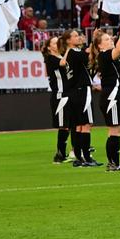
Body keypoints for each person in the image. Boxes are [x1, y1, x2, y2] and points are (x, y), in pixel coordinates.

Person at [58, 29, 99, 167]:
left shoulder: (68, 54)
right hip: (82, 90)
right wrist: (94, 39)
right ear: (68, 40)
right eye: (76, 36)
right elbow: (89, 55)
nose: (79, 37)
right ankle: (86, 157)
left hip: (73, 91)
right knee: (86, 124)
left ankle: (78, 157)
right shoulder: (75, 53)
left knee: (78, 126)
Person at [93, 29, 120, 171]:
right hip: (112, 97)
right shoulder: (105, 55)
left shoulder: (111, 58)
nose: (111, 41)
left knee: (117, 130)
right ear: (100, 46)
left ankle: (115, 162)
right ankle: (114, 163)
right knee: (114, 131)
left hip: (117, 95)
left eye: (110, 38)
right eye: (107, 39)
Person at [41, 34, 69, 163]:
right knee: (63, 125)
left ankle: (67, 152)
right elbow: (62, 64)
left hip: (67, 93)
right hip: (60, 94)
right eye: (54, 43)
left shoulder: (60, 56)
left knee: (69, 125)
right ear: (48, 48)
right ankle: (60, 154)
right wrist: (70, 48)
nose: (57, 44)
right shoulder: (51, 59)